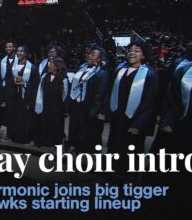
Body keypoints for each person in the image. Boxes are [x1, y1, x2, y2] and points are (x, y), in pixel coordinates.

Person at [107, 42, 158, 171]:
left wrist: (139, 124)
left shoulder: (150, 74)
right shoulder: (120, 70)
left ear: (144, 55)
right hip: (118, 116)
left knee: (131, 150)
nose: (132, 53)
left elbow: (150, 102)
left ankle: (129, 176)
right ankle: (113, 170)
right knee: (115, 145)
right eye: (130, 50)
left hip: (134, 118)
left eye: (137, 51)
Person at [68, 46, 109, 153]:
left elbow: (101, 93)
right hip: (77, 101)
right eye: (89, 54)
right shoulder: (83, 67)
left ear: (99, 59)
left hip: (89, 104)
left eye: (93, 55)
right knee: (75, 125)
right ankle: (74, 144)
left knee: (87, 128)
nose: (89, 56)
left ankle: (84, 149)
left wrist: (100, 110)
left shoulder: (102, 72)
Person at [8, 45, 40, 144]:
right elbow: (8, 80)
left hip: (26, 97)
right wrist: (13, 81)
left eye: (21, 51)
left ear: (26, 53)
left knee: (25, 119)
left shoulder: (33, 68)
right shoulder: (12, 66)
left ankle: (26, 138)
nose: (19, 53)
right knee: (15, 117)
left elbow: (36, 85)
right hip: (15, 96)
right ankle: (14, 137)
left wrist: (24, 84)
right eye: (17, 51)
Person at [35, 57, 69, 147]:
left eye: (51, 65)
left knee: (55, 124)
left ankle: (54, 142)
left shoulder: (63, 79)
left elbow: (64, 95)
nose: (49, 66)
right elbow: (40, 91)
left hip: (56, 107)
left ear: (56, 67)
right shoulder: (45, 76)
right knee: (44, 123)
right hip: (46, 105)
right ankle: (43, 141)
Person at [0, 41, 18, 140]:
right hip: (7, 89)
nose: (8, 48)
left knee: (15, 112)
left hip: (16, 89)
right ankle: (8, 133)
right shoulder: (3, 60)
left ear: (14, 48)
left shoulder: (18, 59)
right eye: (6, 47)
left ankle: (15, 133)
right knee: (7, 112)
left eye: (10, 46)